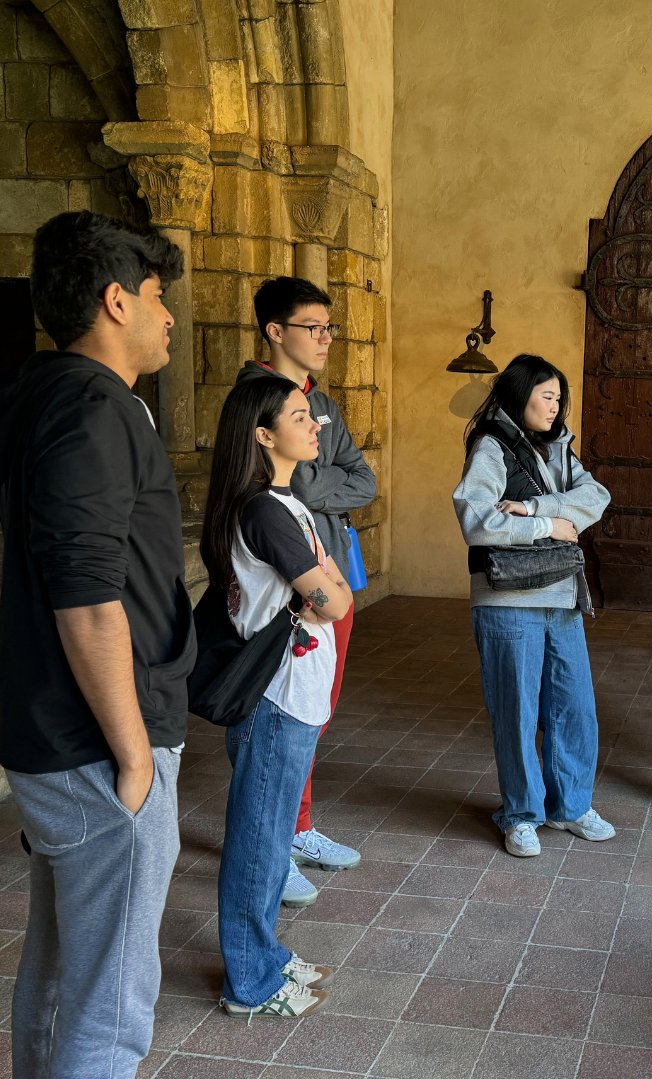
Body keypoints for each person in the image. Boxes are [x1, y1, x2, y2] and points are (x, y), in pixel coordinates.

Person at [0, 211, 195, 1077]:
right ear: (117, 300)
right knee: (110, 999)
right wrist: (134, 756)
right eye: (159, 298)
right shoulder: (93, 407)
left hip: (52, 727)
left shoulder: (36, 393)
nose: (170, 319)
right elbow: (87, 597)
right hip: (94, 737)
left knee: (61, 969)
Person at [202, 375, 354, 1018]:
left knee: (268, 836)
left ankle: (262, 953)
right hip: (275, 696)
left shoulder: (287, 505)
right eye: (301, 416)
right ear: (264, 435)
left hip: (296, 689)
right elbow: (335, 597)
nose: (315, 423)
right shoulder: (264, 508)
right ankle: (250, 979)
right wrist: (322, 592)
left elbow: (335, 591)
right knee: (260, 839)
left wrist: (322, 592)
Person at [239, 276, 376, 908]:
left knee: (314, 708)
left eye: (329, 328)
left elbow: (364, 479)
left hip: (329, 574)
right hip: (284, 585)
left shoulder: (322, 402)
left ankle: (295, 829)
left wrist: (298, 480)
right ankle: (268, 846)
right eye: (312, 328)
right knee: (274, 716)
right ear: (275, 331)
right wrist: (294, 487)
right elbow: (258, 485)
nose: (325, 339)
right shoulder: (254, 399)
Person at [452, 354, 614, 857]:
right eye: (547, 395)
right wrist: (549, 527)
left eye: (559, 396)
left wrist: (535, 507)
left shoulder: (561, 447)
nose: (556, 405)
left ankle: (569, 806)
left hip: (561, 594)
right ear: (519, 395)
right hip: (508, 601)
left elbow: (597, 497)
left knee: (574, 708)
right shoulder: (491, 446)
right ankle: (521, 813)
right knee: (517, 712)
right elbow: (475, 518)